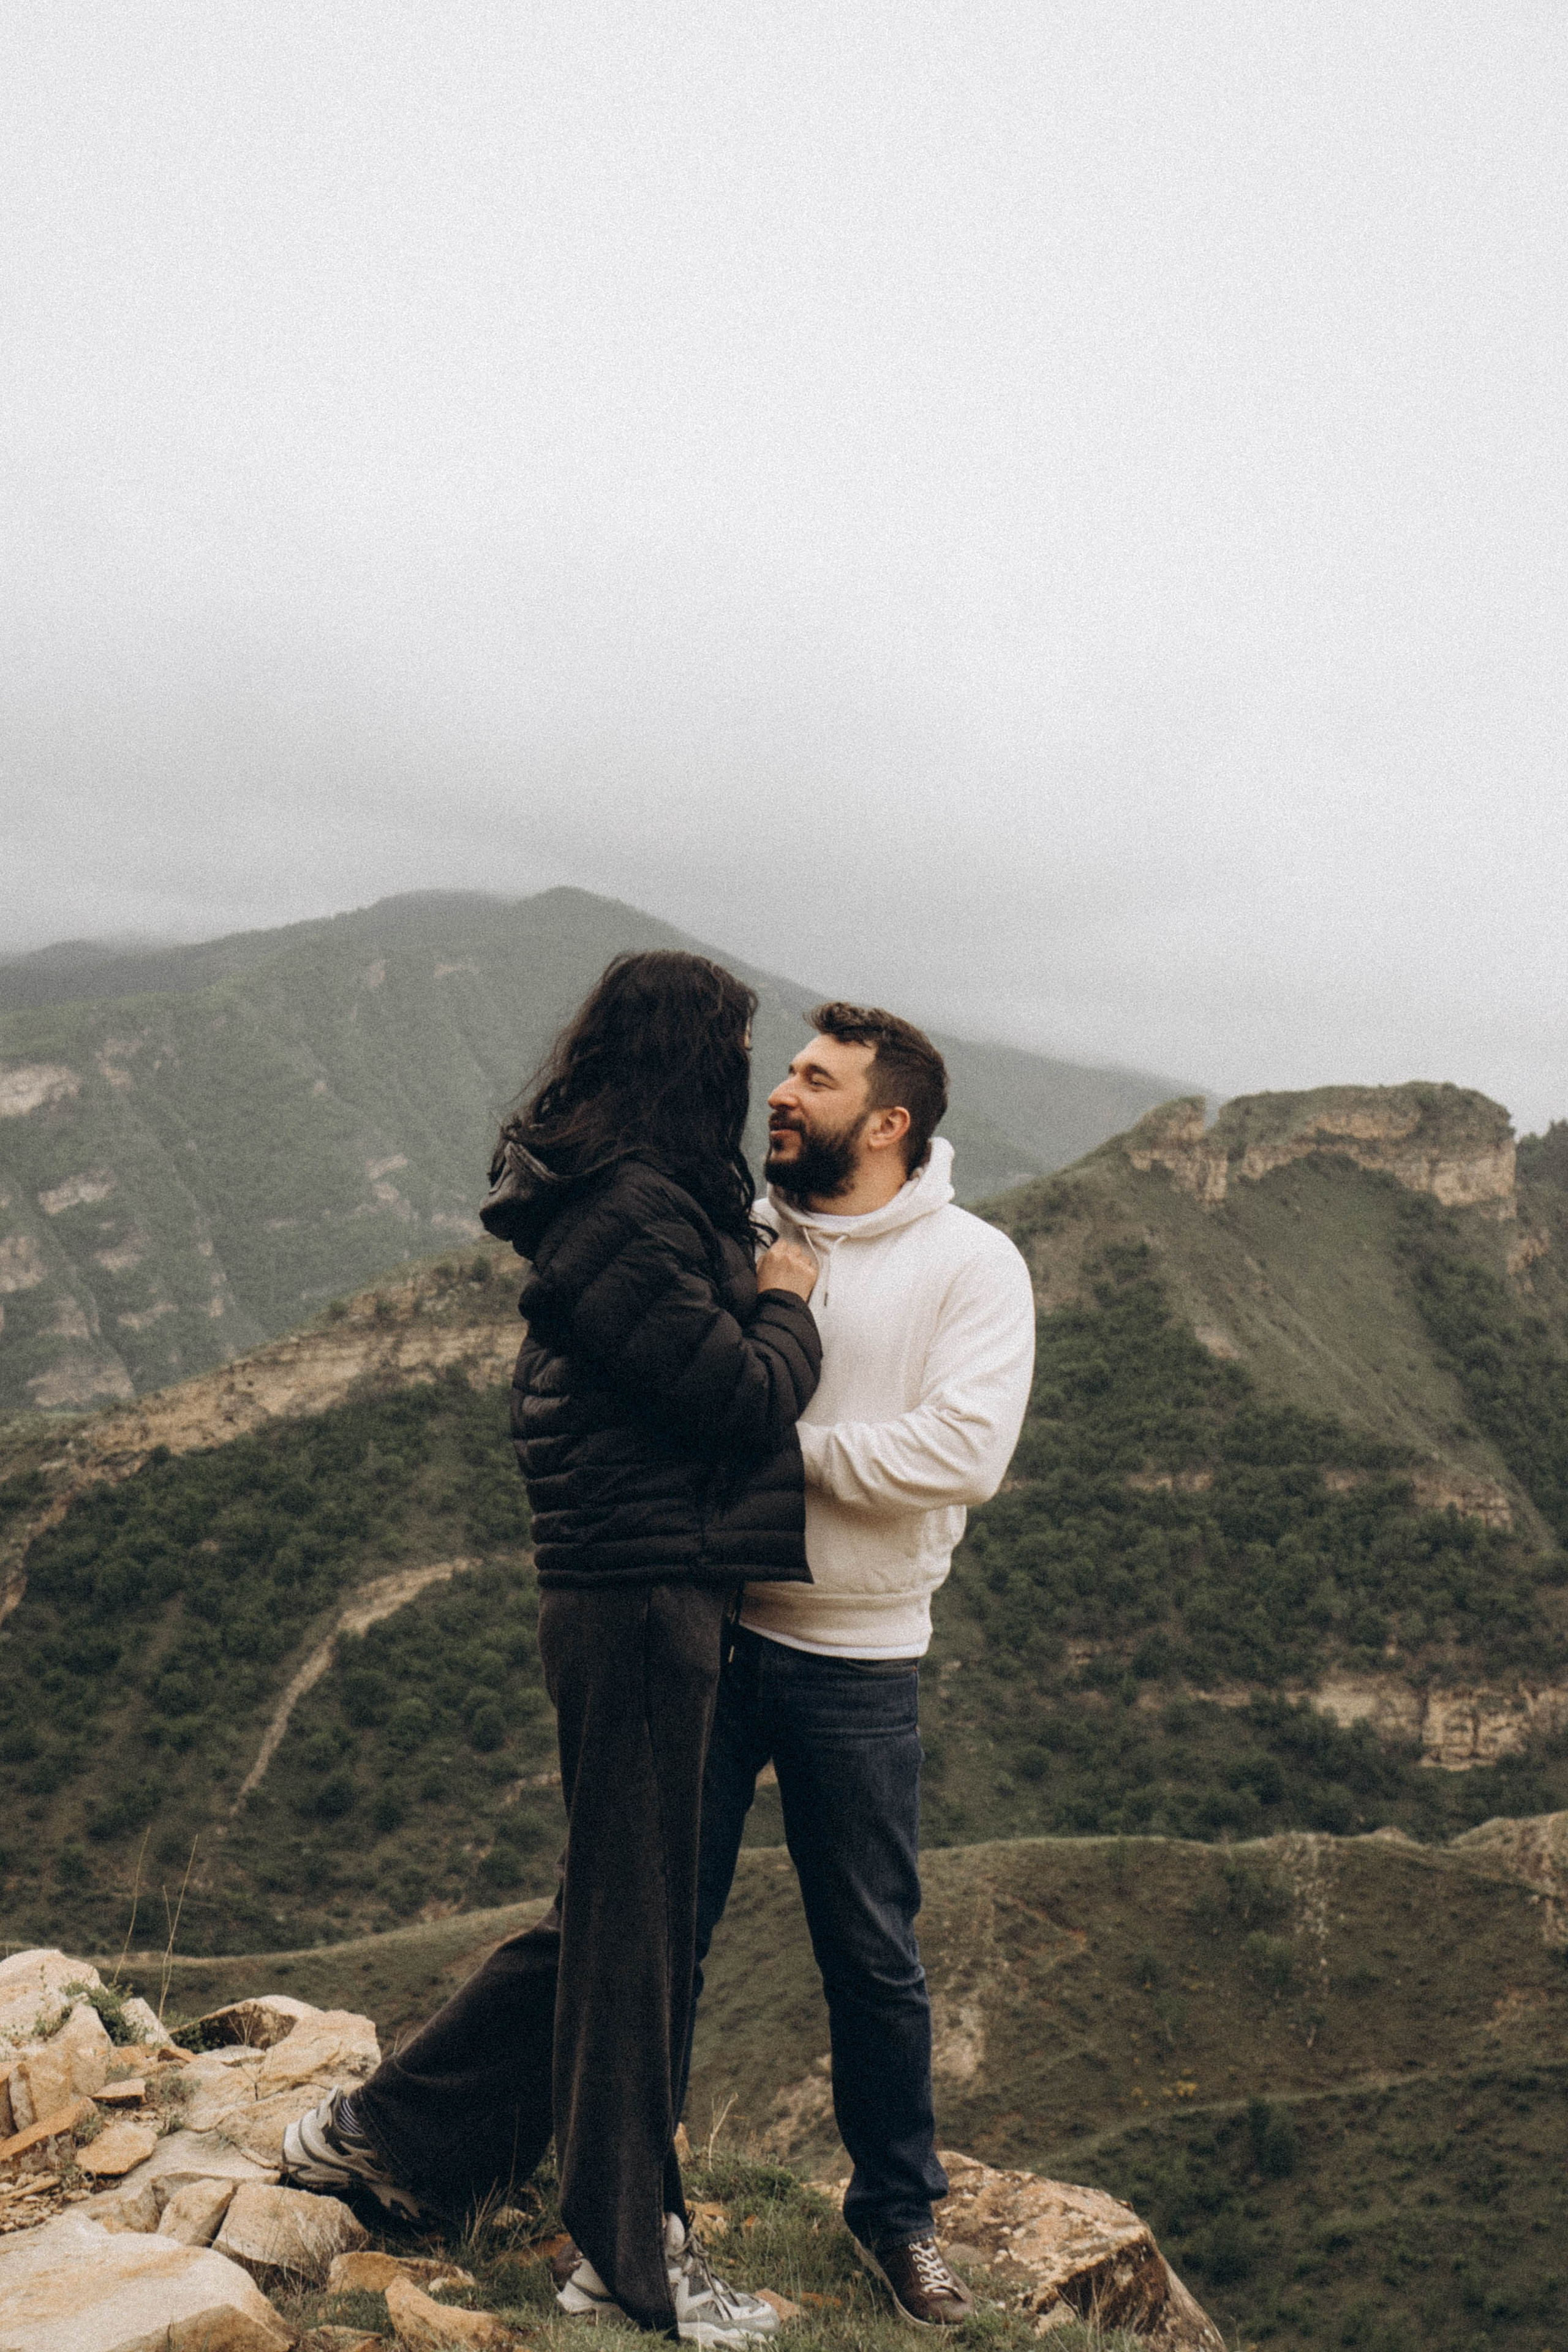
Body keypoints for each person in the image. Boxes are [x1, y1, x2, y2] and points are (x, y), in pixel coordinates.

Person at [281, 950, 823, 2345]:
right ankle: (625, 2256)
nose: (752, 1069)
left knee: (612, 1915)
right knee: (637, 1938)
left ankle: (382, 2133)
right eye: (740, 1043)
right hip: (639, 1594)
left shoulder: (637, 1199)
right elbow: (736, 1398)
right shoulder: (633, 1212)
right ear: (688, 1052)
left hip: (652, 1586)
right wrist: (788, 1297)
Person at [677, 1004, 1036, 2328]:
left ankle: (896, 2220)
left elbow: (962, 1455)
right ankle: (634, 2197)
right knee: (667, 1932)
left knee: (871, 1960)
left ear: (885, 1123)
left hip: (858, 1660)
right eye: (786, 1070)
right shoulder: (749, 1237)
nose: (781, 1093)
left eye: (812, 1081)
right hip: (709, 1633)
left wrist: (779, 1450)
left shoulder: (972, 1265)